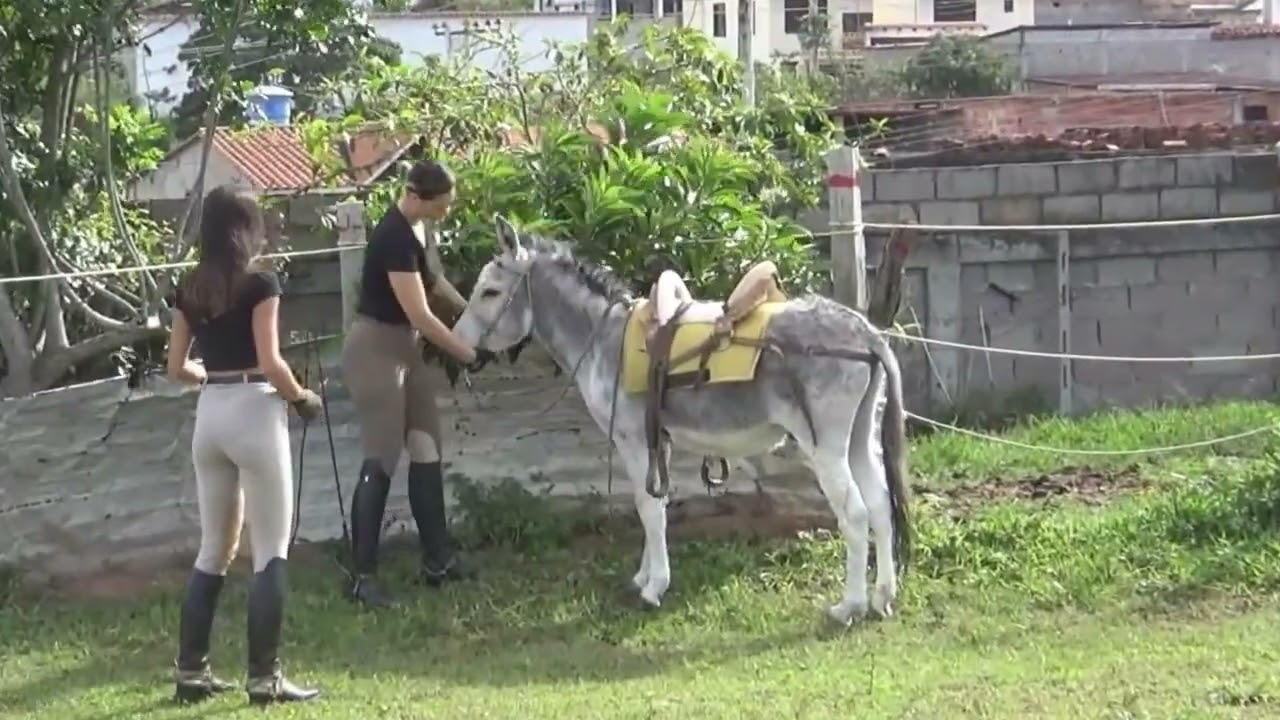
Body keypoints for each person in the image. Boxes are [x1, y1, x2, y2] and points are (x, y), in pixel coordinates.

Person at [166, 184, 323, 705]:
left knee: (214, 547)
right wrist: (302, 398)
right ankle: (265, 678)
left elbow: (175, 368)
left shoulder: (191, 287)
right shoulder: (260, 283)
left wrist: (211, 376)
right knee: (271, 549)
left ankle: (191, 671)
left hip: (210, 413)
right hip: (255, 410)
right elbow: (272, 361)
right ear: (247, 228)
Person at [342, 159, 478, 609]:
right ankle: (363, 577)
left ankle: (437, 560)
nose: (448, 209)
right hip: (377, 350)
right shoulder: (394, 236)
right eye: (443, 202)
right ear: (419, 197)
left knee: (427, 448)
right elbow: (419, 312)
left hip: (408, 350)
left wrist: (473, 314)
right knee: (381, 457)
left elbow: (433, 282)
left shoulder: (419, 230)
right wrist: (465, 350)